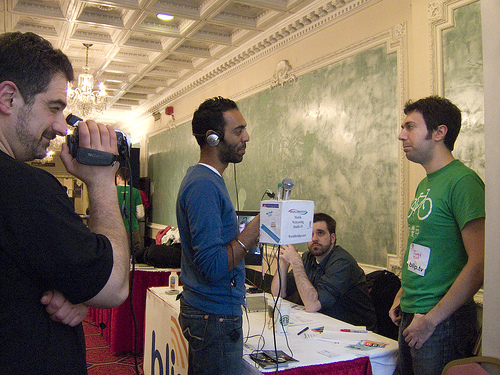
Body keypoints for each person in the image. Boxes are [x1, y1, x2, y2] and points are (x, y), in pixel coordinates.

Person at [0, 32, 130, 374]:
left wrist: (72, 290)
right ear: (8, 97)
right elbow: (114, 286)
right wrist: (102, 181)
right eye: (54, 107)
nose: (60, 127)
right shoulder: (25, 187)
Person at [389, 96, 485, 375]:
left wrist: (431, 320)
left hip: (441, 322)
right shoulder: (425, 184)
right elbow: (423, 246)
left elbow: (480, 263)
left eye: (410, 127)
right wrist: (402, 293)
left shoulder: (463, 181)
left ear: (439, 132)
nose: (401, 135)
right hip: (413, 313)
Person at [176, 96, 260, 375]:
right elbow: (212, 266)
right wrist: (254, 231)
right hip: (214, 317)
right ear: (213, 139)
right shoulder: (204, 185)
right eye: (238, 131)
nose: (246, 137)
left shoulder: (208, 181)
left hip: (211, 314)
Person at [271, 212, 377, 331]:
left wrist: (296, 263)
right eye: (310, 234)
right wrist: (283, 264)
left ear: (332, 238)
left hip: (354, 332)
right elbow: (278, 294)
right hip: (323, 325)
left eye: (320, 233)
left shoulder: (342, 262)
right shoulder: (307, 257)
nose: (314, 239)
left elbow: (312, 305)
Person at [116, 167, 145, 257]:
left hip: (116, 230)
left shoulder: (112, 191)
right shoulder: (136, 192)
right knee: (135, 255)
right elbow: (140, 214)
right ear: (129, 179)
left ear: (118, 177)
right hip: (132, 230)